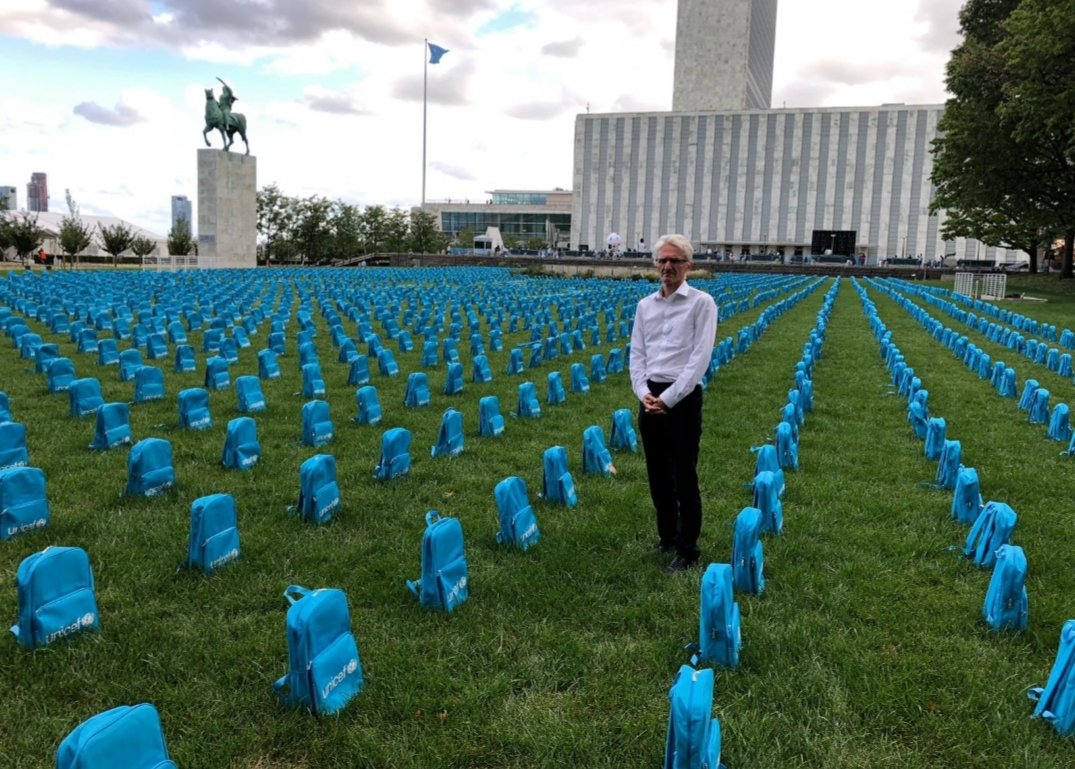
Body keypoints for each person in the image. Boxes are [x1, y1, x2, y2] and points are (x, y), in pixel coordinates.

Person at [629, 234, 718, 573]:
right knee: (657, 474)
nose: (667, 266)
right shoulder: (645, 306)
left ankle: (687, 549)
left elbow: (699, 358)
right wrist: (643, 393)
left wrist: (667, 399)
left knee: (684, 474)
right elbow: (637, 354)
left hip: (681, 398)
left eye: (675, 261)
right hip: (650, 396)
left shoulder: (701, 303)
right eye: (662, 261)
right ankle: (666, 537)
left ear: (688, 266)